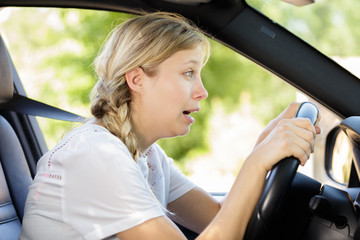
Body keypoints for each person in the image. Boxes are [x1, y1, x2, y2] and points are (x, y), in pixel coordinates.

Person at [20, 12, 321, 240]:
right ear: (137, 79)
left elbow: (217, 218)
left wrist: (263, 147)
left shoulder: (148, 157)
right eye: (188, 72)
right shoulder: (95, 154)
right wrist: (256, 163)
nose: (202, 91)